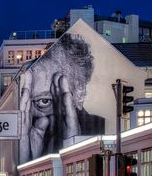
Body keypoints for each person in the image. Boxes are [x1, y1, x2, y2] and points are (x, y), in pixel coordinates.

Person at [18, 35, 106, 163]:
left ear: (79, 93)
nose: (30, 115)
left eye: (44, 101)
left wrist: (72, 150)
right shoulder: (20, 134)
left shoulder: (101, 131)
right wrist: (25, 161)